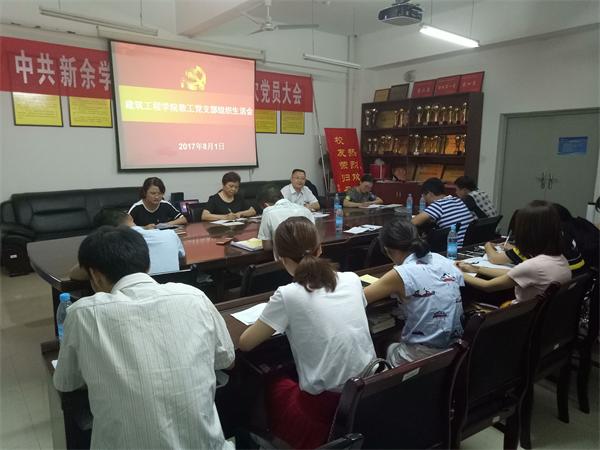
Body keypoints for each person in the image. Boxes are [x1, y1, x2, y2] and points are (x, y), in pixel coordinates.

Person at [54, 226, 234, 449]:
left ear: (96, 276)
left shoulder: (83, 314)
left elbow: (66, 382)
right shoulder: (193, 296)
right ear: (147, 264)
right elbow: (226, 359)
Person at [239, 217, 376, 449]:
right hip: (367, 392)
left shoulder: (288, 294)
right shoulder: (352, 279)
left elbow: (245, 343)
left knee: (270, 382)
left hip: (323, 407)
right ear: (320, 248)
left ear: (280, 258)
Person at [364, 219, 464, 366]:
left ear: (387, 250)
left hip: (422, 358)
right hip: (455, 350)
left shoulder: (401, 273)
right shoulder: (441, 259)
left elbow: (361, 297)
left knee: (382, 342)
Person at [457, 200, 571, 302]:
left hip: (517, 316)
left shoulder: (534, 266)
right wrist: (475, 268)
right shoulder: (560, 259)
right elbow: (514, 274)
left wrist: (457, 272)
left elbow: (487, 286)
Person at [70, 209, 185, 279]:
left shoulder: (113, 246)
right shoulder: (170, 235)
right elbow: (182, 260)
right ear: (130, 217)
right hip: (172, 295)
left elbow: (75, 274)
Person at [484, 203, 586, 276]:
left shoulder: (531, 250)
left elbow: (494, 259)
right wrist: (514, 249)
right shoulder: (565, 244)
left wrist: (487, 245)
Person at [412, 177, 475, 247]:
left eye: (424, 196)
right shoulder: (458, 200)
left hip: (454, 248)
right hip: (469, 245)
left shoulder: (438, 205)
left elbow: (412, 223)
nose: (425, 200)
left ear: (430, 194)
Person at [256, 183, 315, 251]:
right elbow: (314, 239)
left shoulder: (268, 212)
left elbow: (267, 247)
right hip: (308, 255)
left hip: (284, 256)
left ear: (266, 205)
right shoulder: (305, 210)